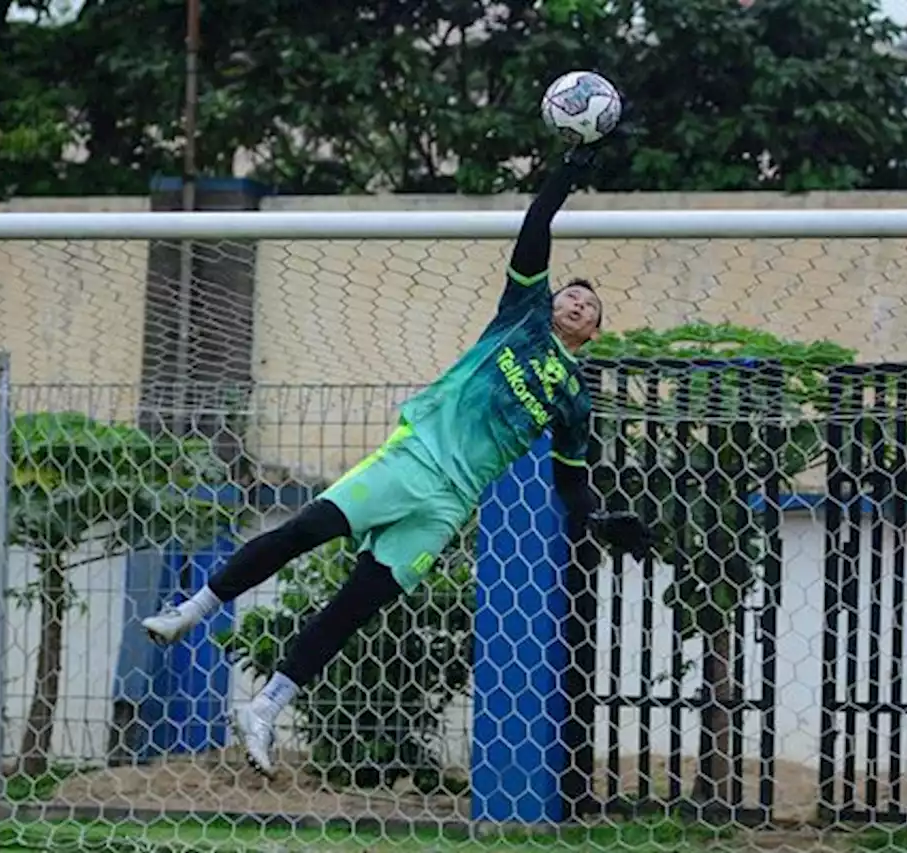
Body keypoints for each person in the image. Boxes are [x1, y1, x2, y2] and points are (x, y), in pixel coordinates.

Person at [141, 134, 653, 776]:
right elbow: (535, 227)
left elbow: (568, 485)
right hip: (413, 459)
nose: (578, 301)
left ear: (594, 332)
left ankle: (266, 707)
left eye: (591, 306)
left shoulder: (575, 398)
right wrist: (566, 173)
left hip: (448, 503)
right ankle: (191, 611)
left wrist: (599, 523)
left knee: (356, 605)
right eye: (571, 294)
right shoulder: (519, 319)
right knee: (306, 530)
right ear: (550, 302)